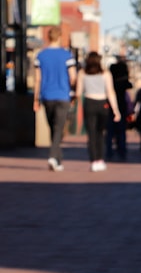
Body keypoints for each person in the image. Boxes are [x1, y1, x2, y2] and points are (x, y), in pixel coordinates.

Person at [32, 27, 77, 172]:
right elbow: (73, 76)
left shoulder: (41, 55)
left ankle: (58, 160)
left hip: (46, 95)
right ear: (59, 37)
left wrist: (36, 99)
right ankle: (53, 156)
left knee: (53, 126)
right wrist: (73, 92)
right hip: (63, 95)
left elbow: (37, 79)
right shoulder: (66, 55)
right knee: (58, 127)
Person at [76, 51, 122, 172]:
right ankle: (100, 159)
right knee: (100, 133)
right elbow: (110, 92)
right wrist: (116, 110)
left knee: (91, 135)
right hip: (103, 104)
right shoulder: (106, 74)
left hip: (89, 103)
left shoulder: (82, 73)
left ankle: (93, 161)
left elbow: (78, 92)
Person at [105, 59, 133, 161]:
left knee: (110, 130)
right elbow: (129, 85)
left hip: (111, 107)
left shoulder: (112, 81)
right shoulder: (122, 82)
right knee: (120, 131)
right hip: (120, 106)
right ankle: (121, 150)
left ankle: (109, 150)